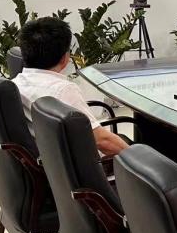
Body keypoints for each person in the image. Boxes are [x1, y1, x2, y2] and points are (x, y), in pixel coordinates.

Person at [13, 17, 128, 157]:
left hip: (49, 158)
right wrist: (141, 160)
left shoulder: (15, 85)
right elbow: (101, 140)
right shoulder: (62, 90)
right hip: (82, 164)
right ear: (65, 58)